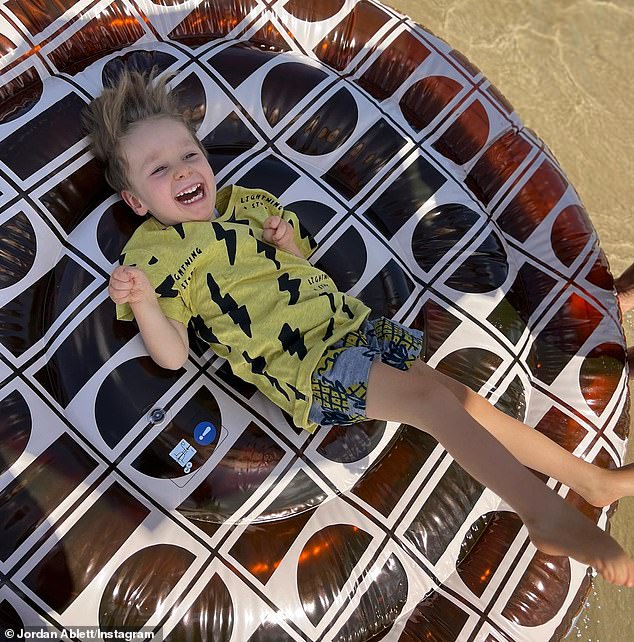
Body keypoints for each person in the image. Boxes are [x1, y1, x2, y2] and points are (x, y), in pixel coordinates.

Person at [83, 68, 634, 587]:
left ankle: (590, 481)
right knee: (431, 403)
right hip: (307, 365)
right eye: (159, 170)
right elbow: (173, 354)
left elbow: (302, 274)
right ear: (135, 201)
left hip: (350, 325)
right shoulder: (156, 256)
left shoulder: (246, 207)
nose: (182, 170)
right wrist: (146, 303)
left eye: (188, 154)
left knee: (460, 399)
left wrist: (288, 246)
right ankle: (543, 514)